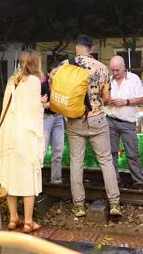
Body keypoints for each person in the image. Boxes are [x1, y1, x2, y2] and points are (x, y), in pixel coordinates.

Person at [61, 35, 121, 217]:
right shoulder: (102, 68)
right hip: (97, 119)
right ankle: (114, 204)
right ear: (92, 49)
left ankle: (79, 206)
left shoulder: (66, 65)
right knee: (106, 161)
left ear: (76, 47)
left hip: (74, 120)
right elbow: (107, 99)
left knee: (76, 163)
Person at [0, 50, 45, 233]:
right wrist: (43, 104)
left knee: (10, 178)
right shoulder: (34, 81)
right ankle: (28, 222)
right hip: (25, 137)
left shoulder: (12, 81)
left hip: (9, 136)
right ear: (35, 64)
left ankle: (12, 218)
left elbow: (7, 110)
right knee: (27, 180)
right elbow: (33, 112)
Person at [105, 55, 143, 189]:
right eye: (113, 70)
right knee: (111, 154)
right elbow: (102, 98)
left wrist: (126, 102)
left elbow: (142, 99)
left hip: (127, 122)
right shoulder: (108, 80)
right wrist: (107, 101)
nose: (115, 73)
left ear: (124, 67)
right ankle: (114, 182)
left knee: (132, 153)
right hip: (110, 120)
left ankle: (139, 182)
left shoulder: (134, 79)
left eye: (117, 70)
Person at [41, 61, 64, 183]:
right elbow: (39, 105)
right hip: (46, 118)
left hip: (59, 117)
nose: (57, 75)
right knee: (42, 150)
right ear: (49, 73)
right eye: (55, 73)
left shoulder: (62, 85)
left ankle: (56, 180)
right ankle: (35, 179)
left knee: (58, 150)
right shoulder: (42, 86)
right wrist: (49, 104)